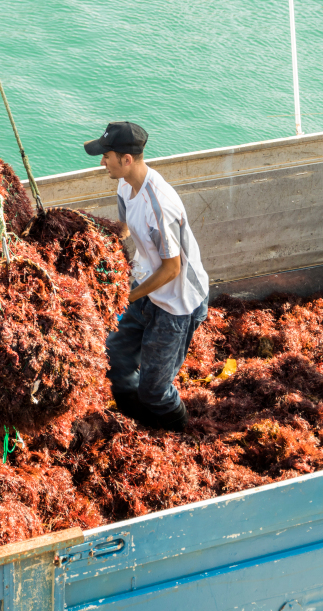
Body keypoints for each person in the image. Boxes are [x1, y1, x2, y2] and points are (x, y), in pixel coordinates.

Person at [84, 122, 209, 432]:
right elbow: (124, 230)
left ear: (127, 159)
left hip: (177, 304)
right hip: (146, 285)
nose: (103, 162)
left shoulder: (159, 206)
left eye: (107, 156)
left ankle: (180, 432)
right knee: (115, 359)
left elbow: (172, 269)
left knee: (154, 390)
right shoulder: (124, 185)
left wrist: (125, 298)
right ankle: (140, 421)